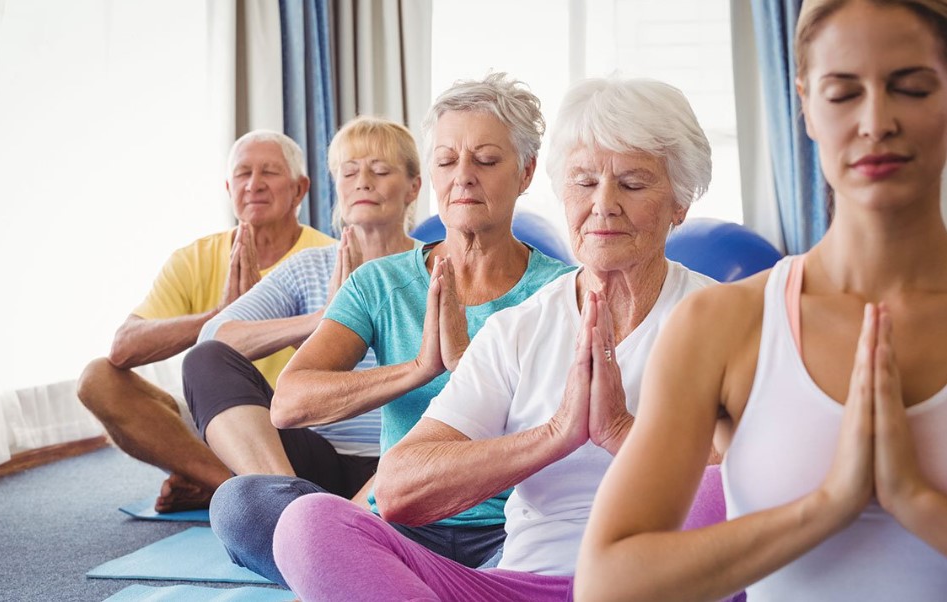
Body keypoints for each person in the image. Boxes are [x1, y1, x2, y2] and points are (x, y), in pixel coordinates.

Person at [268, 76, 723, 602]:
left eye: (633, 184)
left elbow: (772, 481)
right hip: (519, 585)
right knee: (310, 523)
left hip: (655, 583)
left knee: (720, 499)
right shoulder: (520, 327)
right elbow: (397, 490)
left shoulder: (725, 318)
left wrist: (621, 430)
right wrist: (555, 435)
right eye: (583, 182)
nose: (603, 205)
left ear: (680, 203)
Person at [578, 1, 947, 601]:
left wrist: (915, 500)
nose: (876, 121)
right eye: (843, 92)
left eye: (910, 87)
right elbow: (611, 583)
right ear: (804, 103)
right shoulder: (722, 324)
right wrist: (827, 506)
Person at [209, 73, 573, 586]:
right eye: (447, 161)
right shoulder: (380, 282)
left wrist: (469, 369)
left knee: (570, 553)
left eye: (487, 161)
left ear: (526, 171)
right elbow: (289, 403)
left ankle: (392, 585)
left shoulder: (562, 291)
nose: (463, 177)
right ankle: (420, 584)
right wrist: (419, 369)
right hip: (398, 526)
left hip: (512, 529)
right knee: (240, 505)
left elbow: (568, 432)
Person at [185, 117, 422, 584]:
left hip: (405, 463)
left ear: (413, 187)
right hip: (316, 465)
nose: (364, 182)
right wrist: (321, 320)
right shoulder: (310, 268)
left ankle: (322, 547)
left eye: (380, 170)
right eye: (350, 171)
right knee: (204, 361)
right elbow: (214, 337)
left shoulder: (435, 268)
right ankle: (292, 513)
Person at [77, 131, 333, 512]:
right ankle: (223, 482)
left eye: (270, 172)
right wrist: (221, 315)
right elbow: (123, 347)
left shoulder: (326, 257)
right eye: (243, 173)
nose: (254, 184)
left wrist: (265, 317)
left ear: (299, 190)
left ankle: (236, 483)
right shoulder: (193, 257)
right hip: (215, 419)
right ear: (229, 188)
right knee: (97, 378)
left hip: (295, 427)